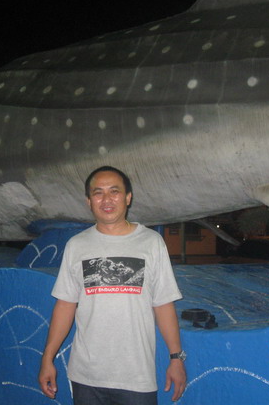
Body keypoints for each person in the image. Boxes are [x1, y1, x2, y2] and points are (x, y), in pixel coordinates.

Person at [38, 166, 187, 404]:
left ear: (128, 198)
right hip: (86, 376)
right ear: (89, 201)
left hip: (137, 377)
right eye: (98, 193)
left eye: (114, 191)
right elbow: (65, 305)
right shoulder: (77, 245)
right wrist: (47, 358)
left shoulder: (151, 242)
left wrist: (176, 358)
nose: (106, 199)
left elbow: (163, 304)